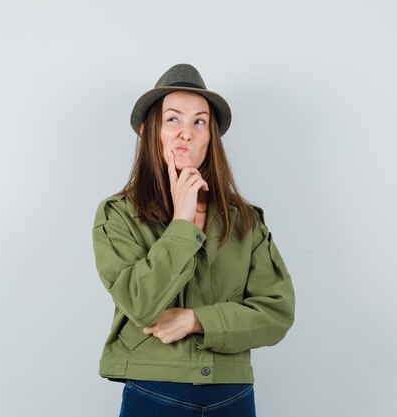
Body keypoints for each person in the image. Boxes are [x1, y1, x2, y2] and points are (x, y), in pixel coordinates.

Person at [92, 63, 296, 417]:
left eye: (199, 121)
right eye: (173, 119)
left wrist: (195, 320)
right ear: (149, 130)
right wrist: (182, 220)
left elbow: (277, 312)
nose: (186, 132)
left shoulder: (243, 220)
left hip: (232, 395)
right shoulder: (118, 214)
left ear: (210, 137)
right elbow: (141, 304)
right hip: (153, 391)